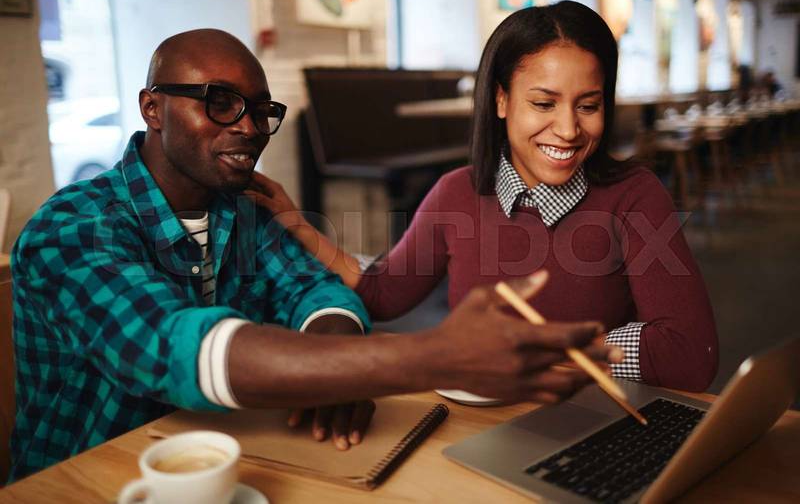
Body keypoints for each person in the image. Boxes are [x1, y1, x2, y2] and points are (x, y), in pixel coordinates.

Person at [9, 29, 620, 481]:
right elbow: (172, 346)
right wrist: (436, 356)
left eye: (261, 111)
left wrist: (336, 365)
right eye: (220, 102)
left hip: (234, 461)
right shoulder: (73, 227)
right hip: (89, 479)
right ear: (152, 108)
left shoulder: (244, 212)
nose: (248, 127)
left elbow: (316, 290)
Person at [247, 1, 718, 392]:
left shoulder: (635, 196)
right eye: (543, 103)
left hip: (591, 419)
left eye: (589, 105)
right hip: (477, 422)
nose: (569, 129)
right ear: (500, 99)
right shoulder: (456, 192)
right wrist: (297, 223)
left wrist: (541, 357)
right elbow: (382, 292)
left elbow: (690, 354)